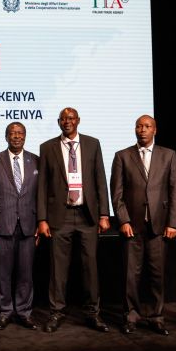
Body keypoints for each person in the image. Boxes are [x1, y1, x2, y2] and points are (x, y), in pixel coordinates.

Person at [37, 107, 111, 333]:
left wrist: (104, 214)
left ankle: (93, 314)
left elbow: (100, 179)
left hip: (87, 215)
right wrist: (42, 218)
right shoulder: (47, 147)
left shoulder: (92, 143)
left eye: (71, 118)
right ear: (58, 122)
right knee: (58, 269)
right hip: (60, 216)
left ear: (78, 120)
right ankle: (56, 313)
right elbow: (42, 186)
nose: (67, 121)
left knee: (90, 268)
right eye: (63, 119)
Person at [110, 115, 176, 335]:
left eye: (147, 126)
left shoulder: (168, 155)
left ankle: (156, 317)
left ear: (155, 130)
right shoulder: (122, 156)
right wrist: (123, 220)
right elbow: (117, 193)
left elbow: (175, 191)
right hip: (132, 227)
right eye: (139, 126)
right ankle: (131, 316)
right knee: (131, 275)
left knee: (157, 275)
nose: (142, 130)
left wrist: (174, 223)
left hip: (160, 227)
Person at [0, 122, 40, 331]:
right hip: (1, 225)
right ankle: (5, 311)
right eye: (12, 133)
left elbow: (41, 195)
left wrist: (42, 221)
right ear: (6, 136)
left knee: (26, 273)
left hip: (29, 224)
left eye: (20, 133)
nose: (16, 137)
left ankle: (24, 313)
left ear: (25, 136)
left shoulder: (36, 160)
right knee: (3, 272)